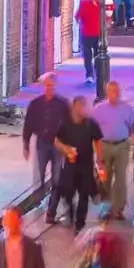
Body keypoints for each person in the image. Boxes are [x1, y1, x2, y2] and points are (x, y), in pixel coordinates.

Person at [53, 94, 103, 228]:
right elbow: (57, 141)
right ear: (73, 107)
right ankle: (70, 212)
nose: (82, 109)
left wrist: (99, 159)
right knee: (67, 192)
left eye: (84, 106)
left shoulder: (91, 123)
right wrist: (66, 149)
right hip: (70, 166)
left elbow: (98, 140)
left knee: (84, 196)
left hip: (86, 166)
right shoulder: (65, 123)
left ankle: (80, 224)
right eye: (79, 106)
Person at [23, 76, 70, 215]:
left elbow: (68, 125)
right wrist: (25, 144)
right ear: (43, 87)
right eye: (47, 85)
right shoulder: (35, 104)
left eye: (52, 86)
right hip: (42, 143)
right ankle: (38, 202)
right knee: (39, 174)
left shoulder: (62, 104)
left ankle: (52, 209)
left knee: (57, 176)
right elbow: (28, 124)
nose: (49, 88)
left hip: (58, 144)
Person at [99, 80, 134, 217]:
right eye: (112, 91)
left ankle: (118, 209)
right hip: (104, 146)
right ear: (107, 92)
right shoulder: (99, 109)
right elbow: (94, 130)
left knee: (120, 178)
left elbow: (133, 128)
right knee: (104, 178)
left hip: (121, 146)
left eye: (117, 91)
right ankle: (105, 207)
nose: (115, 94)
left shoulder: (127, 109)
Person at [76, 0, 110, 95]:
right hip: (86, 34)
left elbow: (106, 18)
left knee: (97, 55)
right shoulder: (84, 3)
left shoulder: (101, 5)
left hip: (98, 35)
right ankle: (89, 75)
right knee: (87, 55)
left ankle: (98, 74)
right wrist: (81, 25)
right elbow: (78, 16)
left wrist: (106, 25)